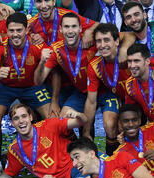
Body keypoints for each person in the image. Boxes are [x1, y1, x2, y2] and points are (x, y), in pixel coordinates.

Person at [0, 12, 53, 175]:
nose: (15, 34)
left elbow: (50, 73)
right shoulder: (0, 44)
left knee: (52, 118)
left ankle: (51, 156)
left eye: (19, 30)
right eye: (11, 31)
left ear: (27, 30)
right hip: (6, 87)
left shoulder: (38, 46)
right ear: (7, 31)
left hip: (32, 86)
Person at [0, 103, 88, 178]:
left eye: (24, 116)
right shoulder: (15, 148)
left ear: (30, 117)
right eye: (16, 118)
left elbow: (82, 121)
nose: (21, 121)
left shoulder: (48, 125)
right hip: (70, 175)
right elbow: (9, 174)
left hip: (78, 163)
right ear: (12, 123)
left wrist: (78, 115)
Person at [34, 12, 99, 120]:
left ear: (80, 28)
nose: (70, 31)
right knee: (62, 120)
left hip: (103, 91)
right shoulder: (56, 49)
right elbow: (39, 81)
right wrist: (42, 62)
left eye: (74, 27)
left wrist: (123, 49)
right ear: (61, 29)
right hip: (82, 93)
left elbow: (125, 35)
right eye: (66, 27)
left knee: (109, 123)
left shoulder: (93, 41)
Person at [84, 23, 133, 155]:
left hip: (139, 100)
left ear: (117, 41)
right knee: (111, 125)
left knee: (130, 127)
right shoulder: (94, 66)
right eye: (99, 41)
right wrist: (86, 132)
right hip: (119, 98)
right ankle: (112, 160)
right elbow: (91, 101)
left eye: (106, 40)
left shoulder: (130, 58)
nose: (102, 45)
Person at [28, 0, 97, 48]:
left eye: (47, 0)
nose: (43, 6)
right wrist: (32, 39)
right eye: (39, 1)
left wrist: (89, 31)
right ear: (35, 3)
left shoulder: (68, 16)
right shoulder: (31, 24)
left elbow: (98, 25)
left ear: (54, 1)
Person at [116, 104, 154, 174]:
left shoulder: (152, 129)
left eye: (134, 120)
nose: (131, 124)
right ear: (120, 123)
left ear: (139, 120)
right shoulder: (120, 152)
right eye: (126, 121)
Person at [124, 43, 154, 122]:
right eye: (129, 61)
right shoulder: (129, 85)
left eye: (136, 61)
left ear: (147, 61)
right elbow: (131, 113)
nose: (132, 65)